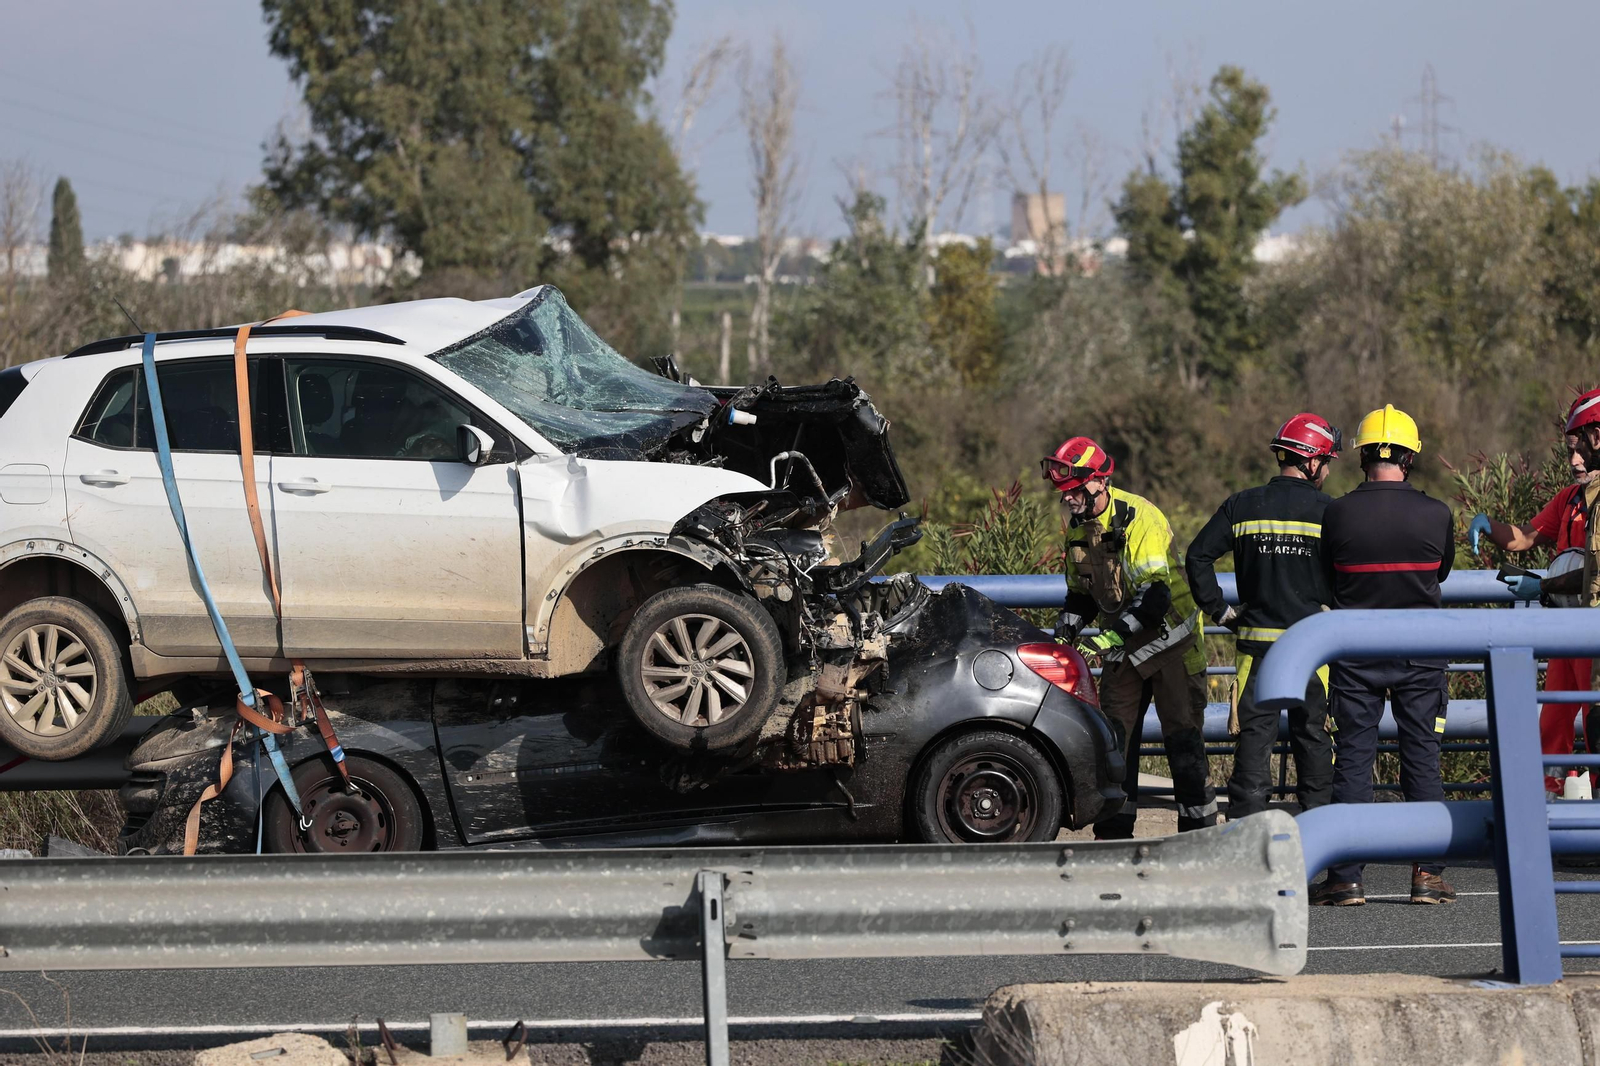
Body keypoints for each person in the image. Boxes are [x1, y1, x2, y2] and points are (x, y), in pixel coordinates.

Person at [1310, 405, 1457, 906]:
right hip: (1420, 652)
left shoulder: (1338, 513)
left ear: (1362, 455)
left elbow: (1328, 580)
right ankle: (1427, 875)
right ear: (1410, 458)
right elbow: (1441, 575)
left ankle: (1346, 878)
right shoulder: (1437, 513)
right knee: (1423, 756)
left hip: (1356, 652)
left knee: (1353, 758)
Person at [1043, 435, 1216, 838]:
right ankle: (1114, 838)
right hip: (1124, 648)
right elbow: (1081, 595)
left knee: (1184, 746)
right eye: (1062, 492)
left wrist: (1110, 639)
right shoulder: (1077, 531)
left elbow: (1154, 596)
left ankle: (1199, 839)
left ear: (1099, 482)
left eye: (1072, 491)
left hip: (1172, 644)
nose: (1066, 499)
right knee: (1114, 746)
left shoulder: (1141, 518)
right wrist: (1066, 628)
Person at [1185, 414, 1339, 820]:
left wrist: (1221, 611)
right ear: (1311, 462)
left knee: (1254, 742)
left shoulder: (1242, 505)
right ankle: (1320, 834)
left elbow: (1197, 556)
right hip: (1313, 650)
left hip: (1256, 647)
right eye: (1327, 462)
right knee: (1314, 740)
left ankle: (1248, 835)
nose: (1327, 471)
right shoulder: (1331, 512)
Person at [1468, 422, 1594, 796]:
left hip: (1593, 633)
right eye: (1569, 450)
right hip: (1565, 633)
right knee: (1553, 722)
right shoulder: (1569, 499)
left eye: (1580, 451)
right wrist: (1488, 525)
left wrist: (1542, 586)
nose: (1574, 460)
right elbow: (1525, 536)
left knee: (1595, 724)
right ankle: (1548, 802)